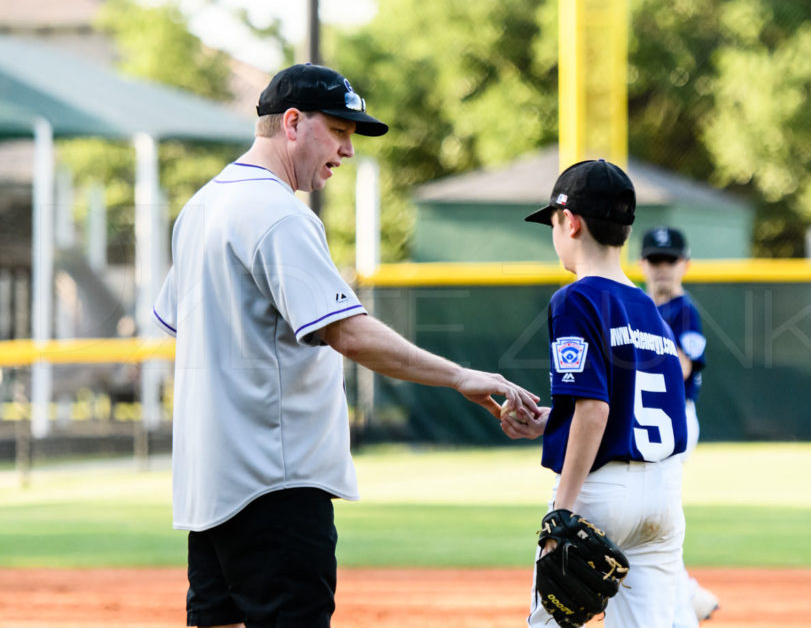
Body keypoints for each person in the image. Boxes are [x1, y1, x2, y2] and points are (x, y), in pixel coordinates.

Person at [152, 63, 539, 628]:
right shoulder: (277, 213)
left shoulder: (201, 208)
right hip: (276, 485)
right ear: (292, 123)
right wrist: (459, 376)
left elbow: (181, 324)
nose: (347, 149)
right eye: (338, 131)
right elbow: (349, 332)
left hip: (209, 486)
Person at [503, 159, 691, 627]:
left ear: (570, 221)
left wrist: (562, 513)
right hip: (663, 497)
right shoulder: (650, 308)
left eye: (552, 221)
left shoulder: (576, 299)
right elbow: (638, 407)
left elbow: (594, 409)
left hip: (601, 492)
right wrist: (551, 422)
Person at [639, 226, 719, 625]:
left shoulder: (685, 311)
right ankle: (686, 592)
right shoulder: (636, 305)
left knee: (658, 514)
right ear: (642, 264)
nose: (662, 268)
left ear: (685, 265)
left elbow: (682, 367)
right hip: (643, 422)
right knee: (653, 513)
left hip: (674, 421)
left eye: (670, 260)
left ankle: (680, 602)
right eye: (655, 260)